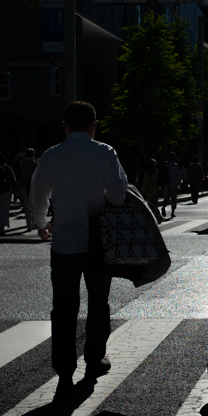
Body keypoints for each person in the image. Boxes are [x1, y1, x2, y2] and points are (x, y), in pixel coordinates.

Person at [29, 101, 129, 399]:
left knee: (64, 306)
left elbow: (37, 194)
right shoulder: (105, 152)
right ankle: (94, 357)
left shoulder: (51, 155)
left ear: (65, 126)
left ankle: (63, 367)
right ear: (94, 126)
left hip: (64, 240)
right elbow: (118, 194)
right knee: (99, 301)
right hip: (98, 239)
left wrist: (41, 222)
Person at [0, 151, 17, 234]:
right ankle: (3, 226)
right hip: (7, 191)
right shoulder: (7, 168)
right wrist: (15, 191)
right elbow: (13, 180)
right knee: (5, 210)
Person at [17, 149, 38, 231]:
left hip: (24, 186)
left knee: (26, 206)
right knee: (35, 206)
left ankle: (28, 224)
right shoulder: (36, 164)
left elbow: (18, 175)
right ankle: (34, 222)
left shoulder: (21, 164)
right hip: (34, 187)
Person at [140, 159, 164, 223]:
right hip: (156, 191)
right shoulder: (156, 173)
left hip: (149, 192)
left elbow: (145, 184)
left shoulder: (147, 174)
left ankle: (158, 217)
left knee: (152, 206)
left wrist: (141, 192)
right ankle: (155, 217)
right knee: (154, 205)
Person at [163, 152, 182, 218]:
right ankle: (172, 212)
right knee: (173, 199)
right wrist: (179, 184)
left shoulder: (165, 164)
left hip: (166, 184)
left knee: (166, 198)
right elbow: (178, 175)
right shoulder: (175, 165)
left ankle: (163, 206)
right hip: (173, 185)